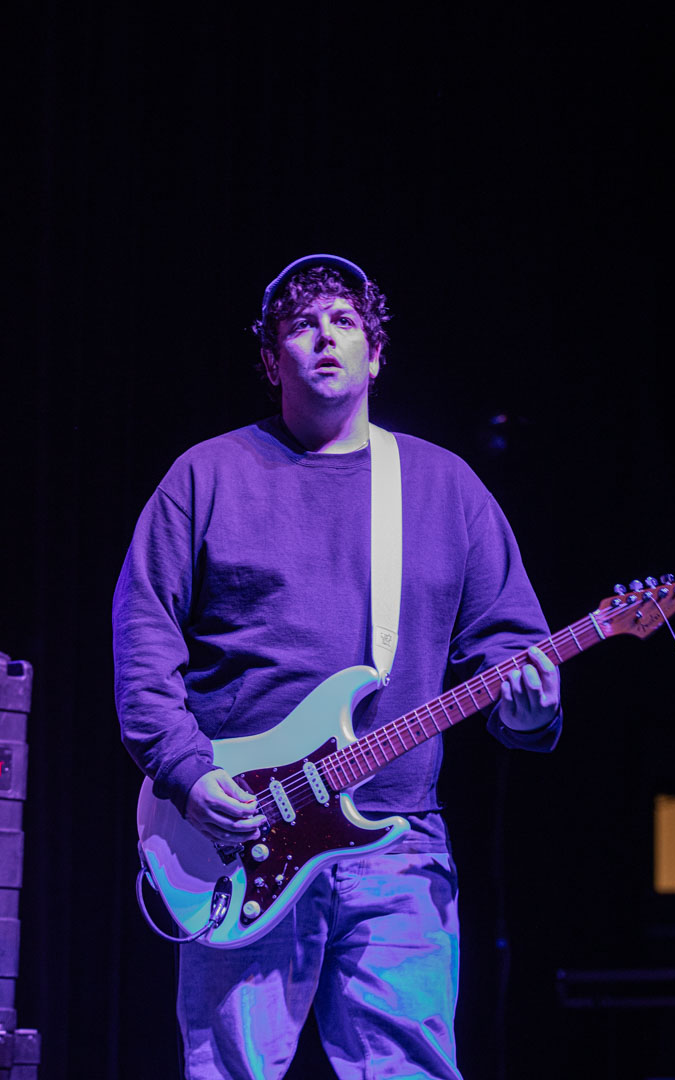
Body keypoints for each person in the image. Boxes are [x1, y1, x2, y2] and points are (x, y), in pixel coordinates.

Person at [113, 253, 562, 1080]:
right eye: (302, 325)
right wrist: (185, 768)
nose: (326, 337)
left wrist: (530, 711)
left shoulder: (444, 487)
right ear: (269, 359)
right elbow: (144, 637)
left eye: (345, 323)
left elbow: (509, 646)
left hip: (399, 840)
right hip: (241, 834)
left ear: (376, 354)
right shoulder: (205, 477)